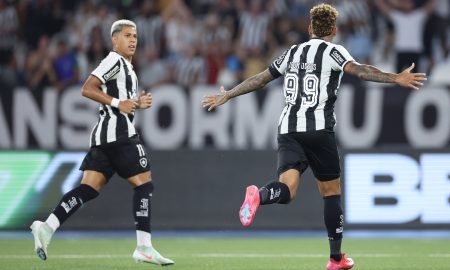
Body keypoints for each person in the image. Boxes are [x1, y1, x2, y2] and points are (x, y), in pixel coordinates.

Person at [202, 3, 426, 270]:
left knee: (286, 190)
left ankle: (259, 196)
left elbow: (261, 78)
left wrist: (228, 94)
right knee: (331, 193)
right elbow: (361, 70)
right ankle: (335, 259)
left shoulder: (292, 52)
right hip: (318, 130)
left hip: (288, 130)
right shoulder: (334, 51)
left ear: (309, 28)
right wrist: (395, 78)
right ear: (333, 29)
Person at [30, 19, 174, 266]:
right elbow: (87, 88)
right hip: (118, 135)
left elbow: (122, 101)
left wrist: (136, 103)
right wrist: (120, 104)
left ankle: (47, 227)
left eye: (135, 36)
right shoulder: (114, 60)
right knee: (144, 184)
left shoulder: (128, 67)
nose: (132, 40)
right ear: (114, 40)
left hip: (103, 138)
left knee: (88, 189)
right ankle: (144, 246)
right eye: (127, 36)